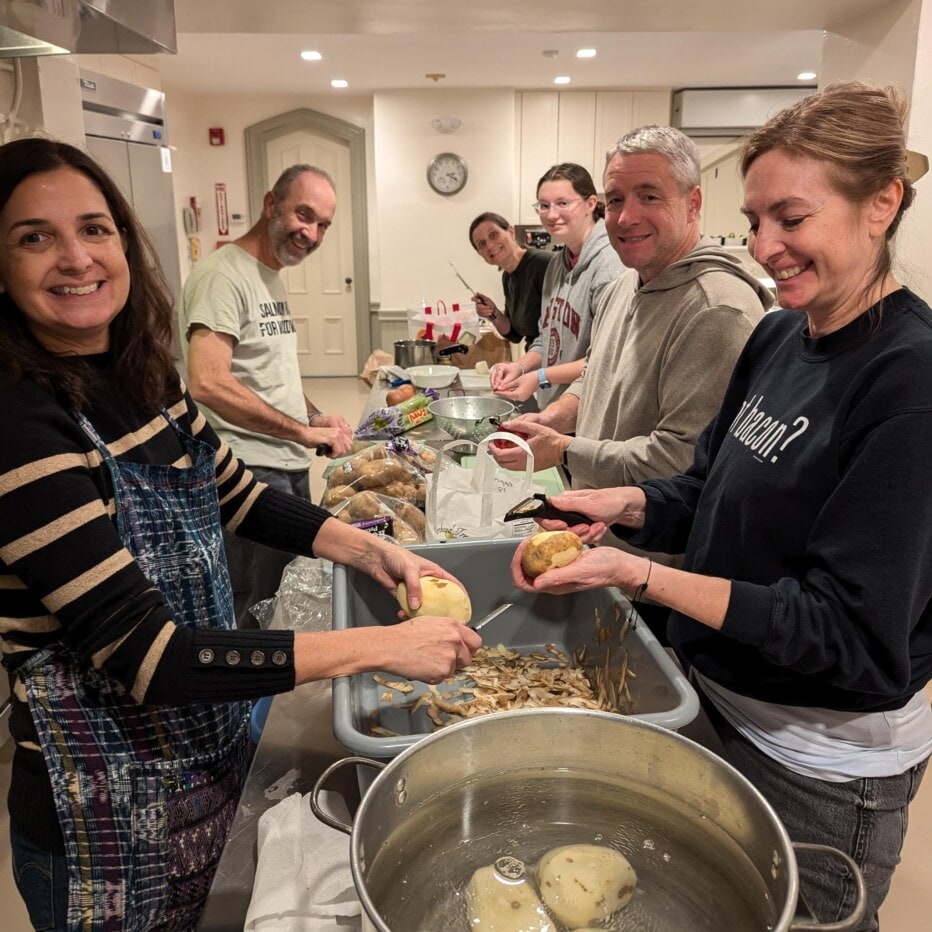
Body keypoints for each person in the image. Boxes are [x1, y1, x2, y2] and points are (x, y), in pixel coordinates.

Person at [0, 137, 481, 931]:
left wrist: (374, 547)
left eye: (93, 228)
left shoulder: (142, 380)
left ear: (124, 242)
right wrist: (379, 646)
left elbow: (242, 497)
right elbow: (151, 656)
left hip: (196, 754)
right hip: (102, 811)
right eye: (33, 237)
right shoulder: (23, 425)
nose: (75, 258)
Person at [509, 83, 932, 931]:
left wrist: (644, 578)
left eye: (792, 218)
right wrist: (619, 503)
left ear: (881, 203)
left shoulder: (908, 380)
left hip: (820, 765)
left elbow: (844, 629)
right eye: (755, 219)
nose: (765, 246)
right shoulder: (782, 336)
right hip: (712, 699)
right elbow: (706, 487)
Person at [491, 126, 772, 638]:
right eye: (617, 198)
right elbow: (597, 373)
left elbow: (681, 462)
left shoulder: (716, 308)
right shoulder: (626, 284)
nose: (626, 217)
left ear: (693, 202)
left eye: (649, 196)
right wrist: (555, 417)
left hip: (658, 569)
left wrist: (566, 451)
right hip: (602, 539)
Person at [179, 164, 354, 627]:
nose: (312, 233)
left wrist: (312, 418)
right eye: (304, 214)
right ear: (270, 204)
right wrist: (298, 431)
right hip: (246, 470)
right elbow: (208, 382)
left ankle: (271, 695)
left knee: (277, 596)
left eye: (323, 226)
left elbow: (273, 372)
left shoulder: (269, 274)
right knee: (248, 604)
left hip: (285, 464)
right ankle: (245, 699)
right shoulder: (222, 276)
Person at [490, 163, 624, 407]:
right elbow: (547, 338)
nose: (551, 215)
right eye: (544, 205)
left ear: (590, 203)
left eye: (563, 203)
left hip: (586, 413)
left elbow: (606, 359)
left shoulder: (611, 265)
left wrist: (540, 376)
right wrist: (519, 367)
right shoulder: (556, 265)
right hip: (552, 405)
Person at [468, 211, 551, 350]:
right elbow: (514, 334)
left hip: (555, 363)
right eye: (482, 244)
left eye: (493, 235)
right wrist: (492, 312)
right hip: (536, 359)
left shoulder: (544, 264)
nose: (489, 245)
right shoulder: (507, 276)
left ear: (511, 232)